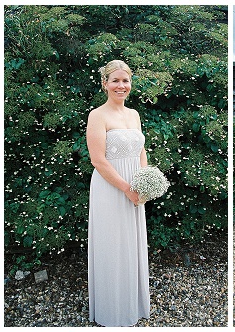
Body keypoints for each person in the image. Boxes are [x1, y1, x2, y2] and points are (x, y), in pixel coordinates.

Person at [86, 60, 150, 326]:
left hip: (135, 188)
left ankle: (131, 305)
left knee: (131, 243)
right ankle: (110, 310)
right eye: (115, 81)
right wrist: (127, 189)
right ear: (105, 84)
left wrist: (145, 183)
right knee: (112, 244)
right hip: (110, 189)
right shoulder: (97, 115)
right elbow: (98, 160)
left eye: (125, 81)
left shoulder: (134, 114)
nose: (121, 86)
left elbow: (141, 151)